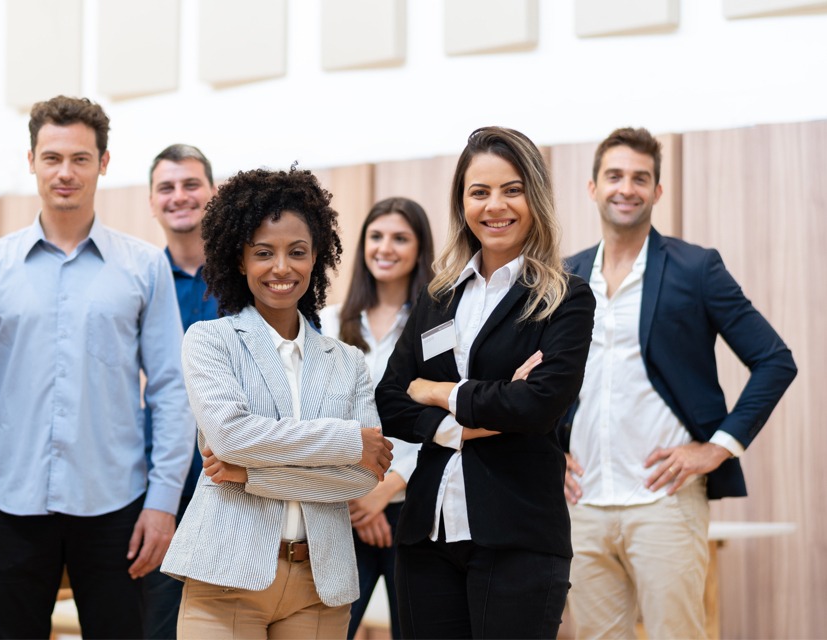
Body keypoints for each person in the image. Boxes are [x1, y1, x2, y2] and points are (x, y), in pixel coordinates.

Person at [0, 95, 192, 639]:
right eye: (52, 157)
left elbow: (172, 391)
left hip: (118, 508)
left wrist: (163, 503)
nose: (65, 172)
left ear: (103, 163)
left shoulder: (144, 266)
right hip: (11, 504)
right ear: (30, 160)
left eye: (80, 158)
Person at [561, 127, 797, 639]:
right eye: (615, 176)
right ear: (593, 187)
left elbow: (775, 361)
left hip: (665, 504)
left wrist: (717, 448)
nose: (627, 188)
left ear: (657, 192)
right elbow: (540, 382)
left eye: (640, 178)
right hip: (583, 507)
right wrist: (547, 451)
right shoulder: (566, 277)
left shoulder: (696, 269)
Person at [375, 126, 595, 638]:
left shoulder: (565, 297)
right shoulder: (438, 294)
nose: (495, 206)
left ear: (534, 197)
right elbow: (388, 398)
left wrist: (436, 392)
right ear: (462, 202)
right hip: (427, 536)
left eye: (512, 189)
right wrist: (466, 424)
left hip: (518, 535)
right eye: (480, 191)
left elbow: (538, 405)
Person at [161, 165, 394, 638]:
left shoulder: (348, 361)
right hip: (224, 577)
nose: (282, 267)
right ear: (240, 260)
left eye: (297, 252)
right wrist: (349, 440)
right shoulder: (210, 340)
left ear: (317, 258)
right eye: (264, 253)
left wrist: (250, 473)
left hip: (319, 585)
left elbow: (360, 478)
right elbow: (232, 436)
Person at [318, 197, 434, 639]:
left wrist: (386, 491)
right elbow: (319, 416)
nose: (386, 248)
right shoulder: (329, 323)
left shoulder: (437, 325)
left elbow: (441, 417)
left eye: (400, 238)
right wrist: (361, 500)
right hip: (344, 511)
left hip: (415, 506)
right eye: (377, 236)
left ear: (419, 249)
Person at [141, 143, 221, 639]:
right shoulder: (138, 279)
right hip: (156, 490)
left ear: (212, 193)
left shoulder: (245, 278)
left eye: (191, 184)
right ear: (151, 201)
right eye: (166, 187)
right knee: (156, 625)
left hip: (232, 485)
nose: (179, 197)